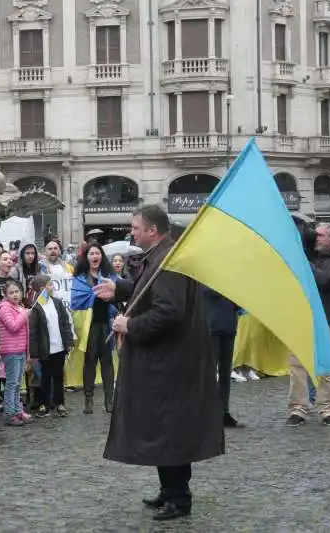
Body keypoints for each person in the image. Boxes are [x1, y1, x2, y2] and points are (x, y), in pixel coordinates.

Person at [93, 204, 223, 521]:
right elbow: (150, 291)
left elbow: (169, 311)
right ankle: (170, 490)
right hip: (164, 363)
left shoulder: (169, 261)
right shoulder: (162, 257)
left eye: (135, 227)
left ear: (152, 230)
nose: (131, 232)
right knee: (164, 429)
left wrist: (130, 326)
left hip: (169, 365)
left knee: (169, 431)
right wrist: (120, 288)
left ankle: (179, 498)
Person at [287, 222, 330, 426]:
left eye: (321, 235)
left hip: (325, 318)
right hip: (299, 316)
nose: (317, 238)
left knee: (325, 365)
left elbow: (323, 280)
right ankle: (298, 409)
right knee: (296, 366)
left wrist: (304, 262)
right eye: (315, 235)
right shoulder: (306, 254)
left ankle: (328, 410)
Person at [73, 243, 118, 414]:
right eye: (91, 253)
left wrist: (110, 299)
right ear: (87, 257)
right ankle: (88, 399)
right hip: (89, 326)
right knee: (89, 362)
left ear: (101, 256)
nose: (94, 256)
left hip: (106, 324)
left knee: (107, 362)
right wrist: (93, 295)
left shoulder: (109, 276)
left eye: (97, 253)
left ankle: (109, 400)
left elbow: (118, 298)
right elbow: (76, 301)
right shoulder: (79, 278)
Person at [29, 275, 73, 417]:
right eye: (49, 284)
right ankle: (45, 404)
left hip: (59, 347)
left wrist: (69, 342)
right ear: (42, 288)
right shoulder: (37, 307)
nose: (52, 287)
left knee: (58, 376)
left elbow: (65, 324)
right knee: (45, 377)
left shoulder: (58, 303)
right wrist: (34, 353)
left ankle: (59, 403)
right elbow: (33, 331)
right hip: (45, 349)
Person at [202, 287, 242, 428]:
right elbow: (207, 293)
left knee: (225, 374)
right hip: (212, 327)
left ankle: (224, 411)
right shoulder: (206, 276)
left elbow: (239, 303)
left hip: (229, 326)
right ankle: (208, 413)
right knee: (210, 373)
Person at [0, 280, 32, 426]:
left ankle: (18, 410)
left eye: (17, 291)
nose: (15, 295)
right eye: (11, 292)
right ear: (5, 295)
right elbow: (13, 326)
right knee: (12, 383)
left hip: (20, 349)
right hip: (11, 350)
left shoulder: (19, 307)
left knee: (18, 383)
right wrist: (24, 314)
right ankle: (10, 413)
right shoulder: (4, 308)